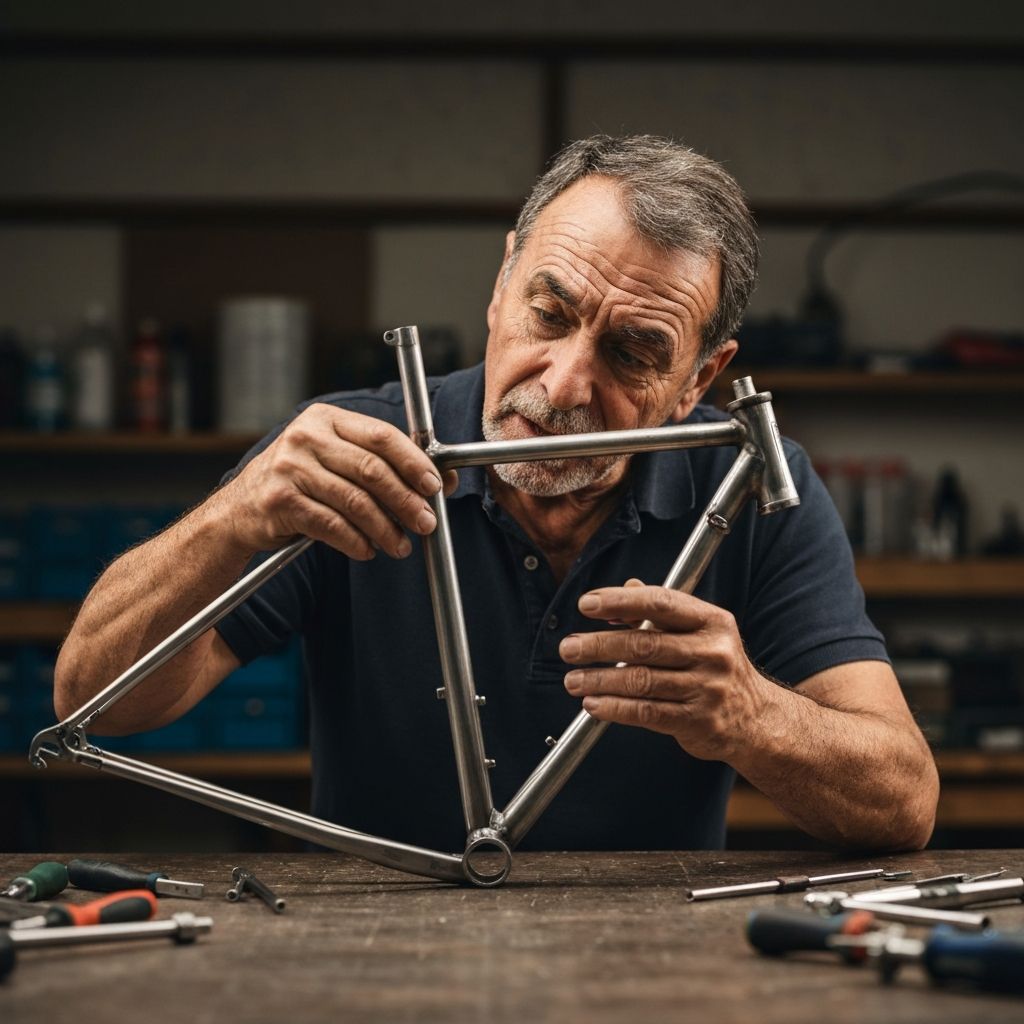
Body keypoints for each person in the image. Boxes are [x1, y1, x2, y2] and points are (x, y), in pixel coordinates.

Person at [54, 135, 938, 853]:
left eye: (631, 354)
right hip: (365, 944)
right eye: (548, 314)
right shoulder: (347, 454)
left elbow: (903, 802)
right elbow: (94, 699)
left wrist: (751, 713)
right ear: (500, 285)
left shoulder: (744, 485)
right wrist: (234, 514)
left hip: (651, 964)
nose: (560, 387)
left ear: (700, 380)